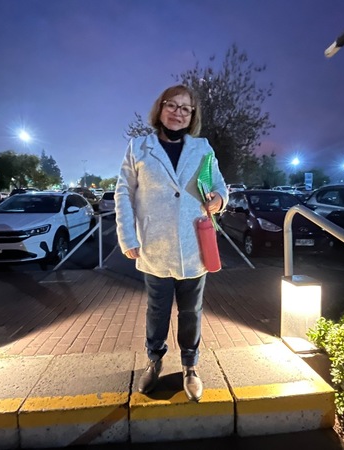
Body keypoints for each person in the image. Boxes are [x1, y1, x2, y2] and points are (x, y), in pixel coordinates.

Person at [114, 84, 228, 401]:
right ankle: (155, 360)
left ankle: (190, 367)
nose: (178, 113)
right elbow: (123, 194)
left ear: (192, 116)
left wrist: (219, 199)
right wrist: (128, 236)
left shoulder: (203, 148)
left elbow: (220, 185)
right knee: (157, 310)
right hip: (155, 247)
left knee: (191, 311)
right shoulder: (138, 147)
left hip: (194, 246)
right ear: (160, 108)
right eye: (172, 105)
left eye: (185, 108)